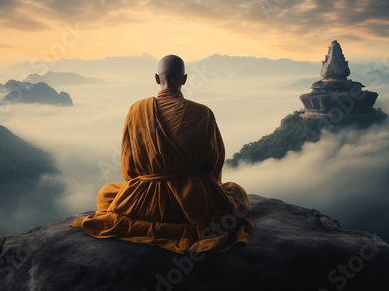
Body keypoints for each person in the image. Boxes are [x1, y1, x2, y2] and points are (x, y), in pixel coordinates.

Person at [70, 55, 255, 254]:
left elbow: (128, 167)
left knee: (106, 193)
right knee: (235, 191)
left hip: (142, 204)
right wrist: (209, 190)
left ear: (157, 79)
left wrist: (149, 184)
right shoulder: (203, 113)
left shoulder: (136, 110)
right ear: (184, 79)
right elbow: (213, 164)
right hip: (191, 205)